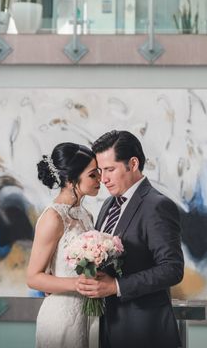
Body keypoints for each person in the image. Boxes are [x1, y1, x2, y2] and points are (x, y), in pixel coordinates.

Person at [77, 130, 184, 348]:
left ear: (133, 164)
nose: (103, 179)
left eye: (110, 169)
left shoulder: (157, 205)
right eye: (99, 171)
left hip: (145, 329)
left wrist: (116, 286)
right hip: (107, 327)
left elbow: (172, 268)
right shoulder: (108, 205)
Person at [27, 142, 102, 348]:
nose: (100, 179)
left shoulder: (87, 215)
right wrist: (76, 284)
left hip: (90, 315)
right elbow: (33, 277)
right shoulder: (53, 217)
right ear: (70, 180)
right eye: (93, 175)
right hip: (61, 316)